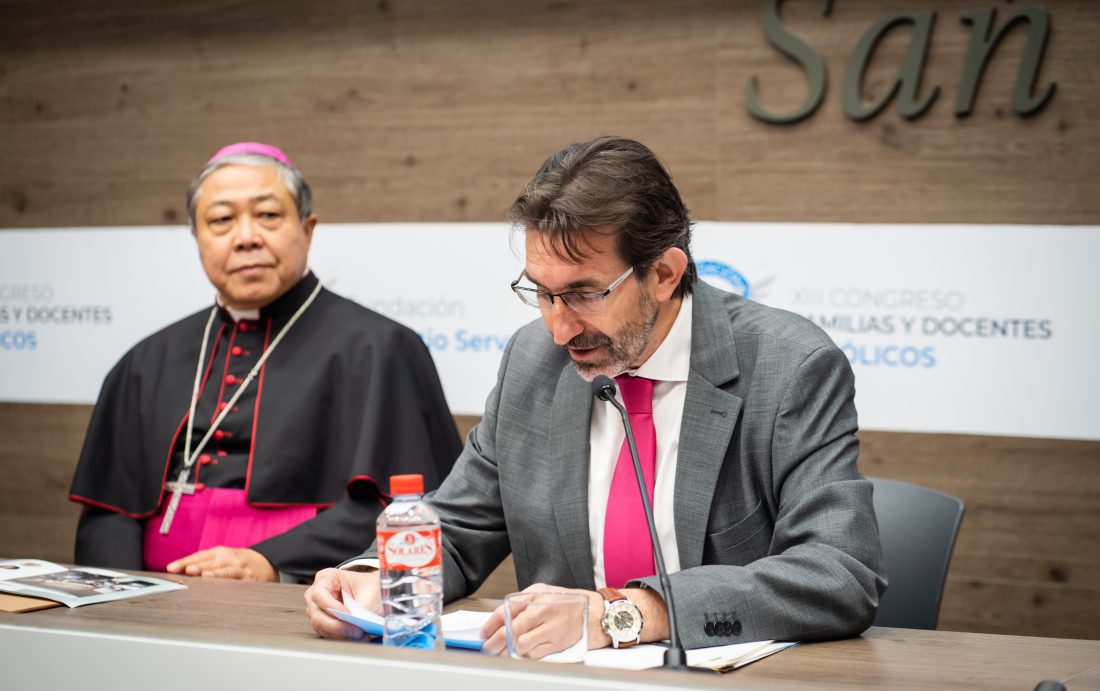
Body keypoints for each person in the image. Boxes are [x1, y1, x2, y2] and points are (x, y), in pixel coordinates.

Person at [305, 136, 885, 653]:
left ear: (663, 273)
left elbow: (837, 572)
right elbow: (458, 529)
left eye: (583, 294)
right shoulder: (533, 361)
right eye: (542, 293)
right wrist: (377, 577)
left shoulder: (789, 367)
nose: (559, 329)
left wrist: (629, 612)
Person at [70, 142, 462, 582]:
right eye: (221, 220)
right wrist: (123, 600)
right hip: (153, 598)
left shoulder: (382, 349)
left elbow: (411, 509)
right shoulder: (145, 362)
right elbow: (108, 512)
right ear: (197, 238)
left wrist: (275, 561)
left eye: (268, 215)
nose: (246, 236)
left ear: (308, 229)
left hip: (307, 595)